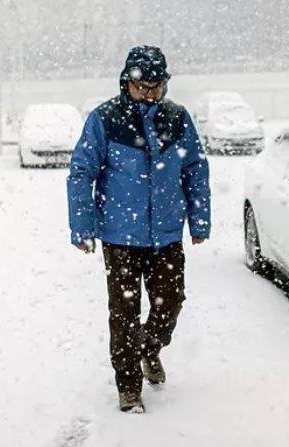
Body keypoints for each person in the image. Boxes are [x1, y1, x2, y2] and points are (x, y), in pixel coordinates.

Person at [66, 46, 211, 413]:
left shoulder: (177, 118)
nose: (150, 94)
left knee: (170, 304)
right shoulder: (105, 119)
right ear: (126, 83)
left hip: (166, 235)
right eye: (142, 87)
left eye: (156, 87)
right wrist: (82, 226)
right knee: (124, 314)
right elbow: (82, 172)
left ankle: (149, 348)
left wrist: (199, 220)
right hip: (120, 237)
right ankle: (129, 386)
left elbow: (195, 169)